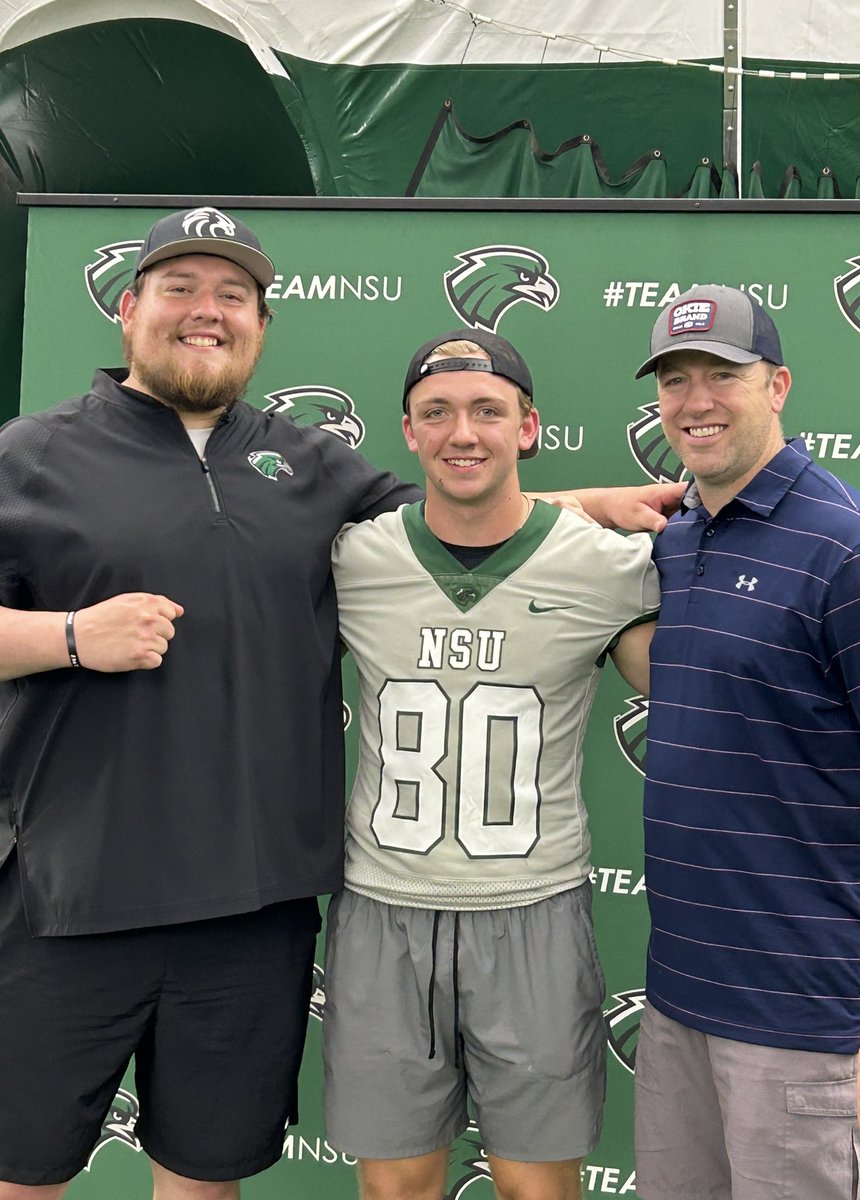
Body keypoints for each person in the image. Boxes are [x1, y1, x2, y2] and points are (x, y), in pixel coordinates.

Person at [0, 207, 681, 1200]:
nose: (208, 312)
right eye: (180, 289)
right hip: (71, 896)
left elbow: (456, 519)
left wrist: (592, 505)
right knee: (24, 1175)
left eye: (233, 295)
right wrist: (67, 637)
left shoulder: (308, 465)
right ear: (128, 308)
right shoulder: (30, 454)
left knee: (202, 1179)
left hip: (252, 908)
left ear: (263, 326)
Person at [325, 328, 660, 1200]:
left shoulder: (608, 566)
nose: (461, 432)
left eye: (487, 410)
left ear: (529, 426)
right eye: (436, 412)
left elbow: (691, 688)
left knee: (535, 1186)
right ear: (407, 431)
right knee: (396, 1185)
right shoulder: (354, 557)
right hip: (385, 909)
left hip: (533, 910)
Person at [632, 284, 860, 1200]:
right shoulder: (679, 538)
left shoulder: (851, 545)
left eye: (723, 376)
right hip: (679, 1004)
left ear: (778, 385)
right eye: (675, 379)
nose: (695, 400)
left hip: (805, 1021)